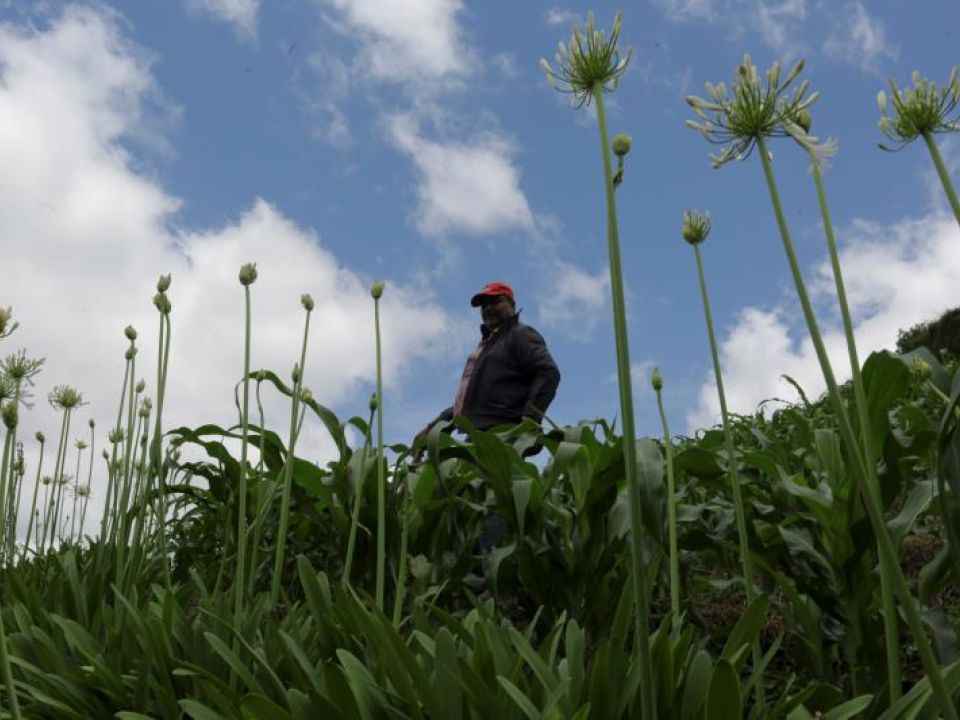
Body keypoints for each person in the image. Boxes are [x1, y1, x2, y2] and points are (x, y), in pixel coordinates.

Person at [416, 281, 561, 447]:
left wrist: (529, 421)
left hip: (502, 437)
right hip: (479, 437)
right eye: (483, 305)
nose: (488, 308)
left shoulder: (519, 334)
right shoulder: (488, 347)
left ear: (512, 305)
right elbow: (471, 401)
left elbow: (548, 372)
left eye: (495, 301)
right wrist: (436, 425)